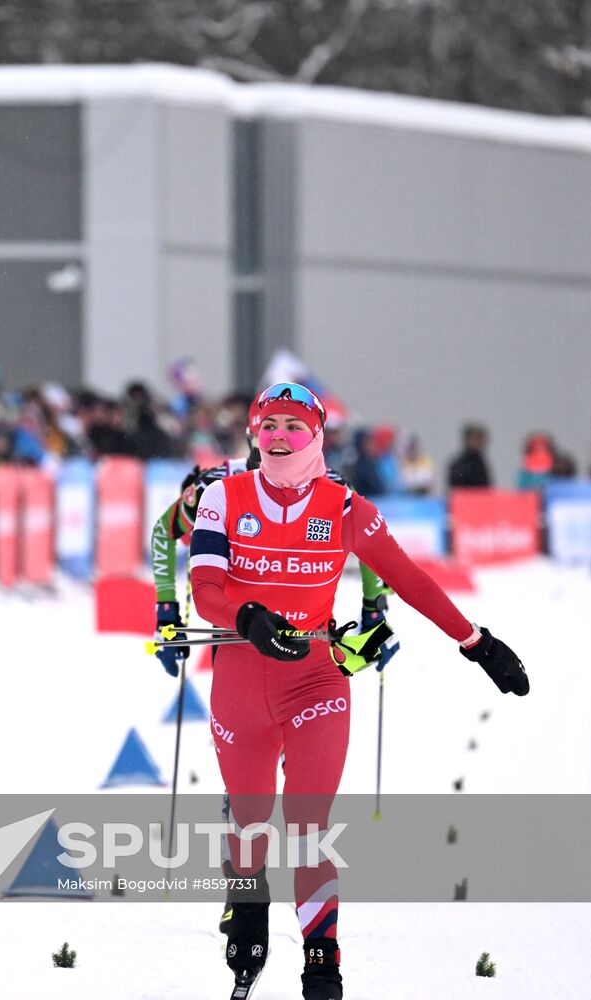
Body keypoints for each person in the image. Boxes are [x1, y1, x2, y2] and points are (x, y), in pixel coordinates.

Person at [187, 383, 528, 999]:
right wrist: (247, 617)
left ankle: (321, 961)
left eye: (295, 426)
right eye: (269, 425)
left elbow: (411, 578)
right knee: (250, 823)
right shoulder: (222, 497)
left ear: (317, 436)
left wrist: (475, 641)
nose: (280, 437)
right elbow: (205, 586)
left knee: (308, 828)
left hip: (316, 679)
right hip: (239, 681)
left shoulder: (344, 507)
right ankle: (249, 907)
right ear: (252, 435)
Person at [149, 399, 400, 942]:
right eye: (268, 439)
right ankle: (243, 884)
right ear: (252, 443)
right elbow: (161, 534)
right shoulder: (216, 489)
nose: (280, 454)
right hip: (237, 636)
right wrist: (166, 609)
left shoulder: (324, 484)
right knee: (246, 792)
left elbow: (374, 555)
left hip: (305, 646)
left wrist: (375, 613)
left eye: (292, 439)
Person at [447, 423, 493, 488]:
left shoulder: (481, 463)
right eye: (475, 439)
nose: (478, 443)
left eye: (480, 440)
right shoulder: (458, 463)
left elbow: (487, 486)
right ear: (467, 440)